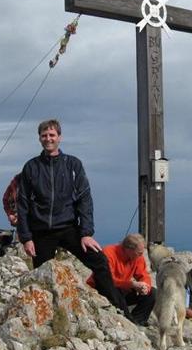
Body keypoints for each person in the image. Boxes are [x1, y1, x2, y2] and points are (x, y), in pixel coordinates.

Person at [16, 119, 129, 317]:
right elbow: (22, 203)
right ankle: (50, 318)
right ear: (39, 138)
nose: (48, 139)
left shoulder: (73, 164)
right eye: (44, 135)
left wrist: (86, 233)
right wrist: (26, 238)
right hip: (41, 232)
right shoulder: (31, 167)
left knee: (100, 262)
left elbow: (85, 199)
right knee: (42, 278)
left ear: (59, 137)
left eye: (52, 135)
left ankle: (118, 310)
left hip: (69, 228)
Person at [87, 234, 156, 326]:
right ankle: (128, 319)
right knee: (116, 291)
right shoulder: (108, 253)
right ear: (128, 249)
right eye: (139, 253)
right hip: (101, 290)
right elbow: (107, 280)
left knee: (152, 293)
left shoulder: (137, 257)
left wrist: (145, 286)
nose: (141, 255)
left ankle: (138, 321)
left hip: (122, 289)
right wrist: (132, 284)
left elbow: (143, 275)